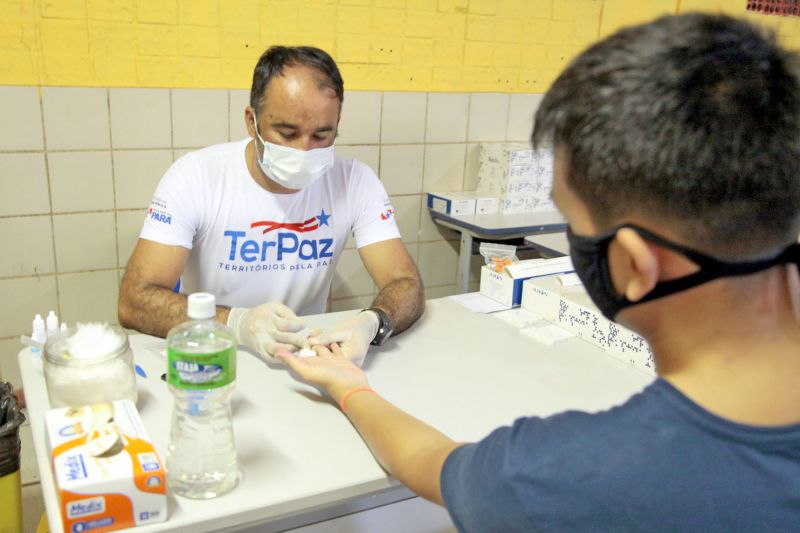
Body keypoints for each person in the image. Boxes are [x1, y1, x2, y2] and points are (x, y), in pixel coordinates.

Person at [276, 13, 800, 531]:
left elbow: (431, 462)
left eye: (572, 223)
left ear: (635, 265)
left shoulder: (569, 475)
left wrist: (351, 388)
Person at [118, 46, 424, 364]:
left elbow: (405, 283)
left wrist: (374, 321)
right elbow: (134, 301)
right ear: (253, 122)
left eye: (322, 135)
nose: (305, 150)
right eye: (287, 133)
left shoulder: (354, 181)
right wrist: (235, 323)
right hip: (215, 356)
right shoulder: (197, 176)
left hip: (302, 362)